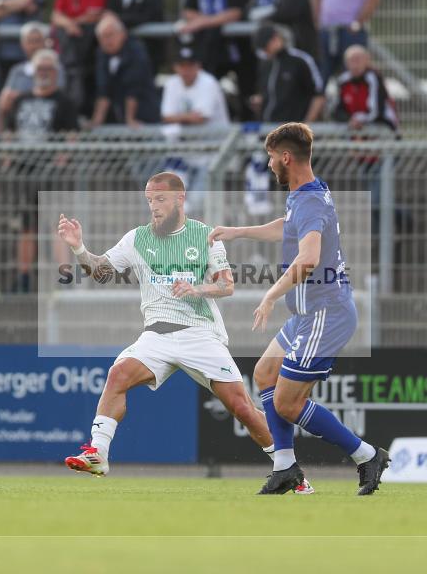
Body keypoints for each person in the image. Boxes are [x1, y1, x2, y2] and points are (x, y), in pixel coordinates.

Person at [58, 171, 314, 495]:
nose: (154, 207)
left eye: (160, 199)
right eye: (149, 200)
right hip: (156, 336)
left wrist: (196, 289)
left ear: (180, 199)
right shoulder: (136, 238)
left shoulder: (205, 235)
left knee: (242, 408)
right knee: (117, 374)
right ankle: (98, 453)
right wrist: (79, 248)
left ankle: (292, 472)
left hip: (200, 334)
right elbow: (101, 272)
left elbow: (227, 286)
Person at [208, 123, 389, 495]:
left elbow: (308, 258)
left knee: (289, 404)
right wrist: (239, 232)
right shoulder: (307, 192)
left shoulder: (308, 200)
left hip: (325, 313)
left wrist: (271, 295)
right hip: (308, 314)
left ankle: (367, 455)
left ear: (286, 157)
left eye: (271, 157)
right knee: (265, 374)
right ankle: (285, 467)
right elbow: (288, 227)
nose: (269, 164)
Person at [5, 49, 79, 293]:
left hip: (51, 171)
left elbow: (72, 134)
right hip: (24, 169)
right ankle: (24, 278)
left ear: (55, 72)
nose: (44, 73)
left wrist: (63, 157)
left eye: (48, 69)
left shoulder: (64, 102)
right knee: (26, 225)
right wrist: (7, 155)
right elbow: (9, 130)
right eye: (40, 69)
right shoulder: (20, 100)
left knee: (57, 225)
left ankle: (65, 278)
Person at [333, 44, 399, 231]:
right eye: (351, 61)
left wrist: (359, 120)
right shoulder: (343, 81)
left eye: (359, 60)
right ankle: (382, 236)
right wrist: (351, 122)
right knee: (371, 198)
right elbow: (336, 111)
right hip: (362, 149)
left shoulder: (373, 78)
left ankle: (395, 227)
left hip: (383, 147)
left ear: (367, 61)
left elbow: (376, 111)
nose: (355, 64)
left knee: (377, 199)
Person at [181, 0, 256, 119]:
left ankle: (247, 124)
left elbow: (236, 12)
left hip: (239, 48)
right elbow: (188, 11)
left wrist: (203, 22)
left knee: (246, 92)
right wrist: (214, 20)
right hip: (208, 50)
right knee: (208, 88)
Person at [51, 0, 109, 115]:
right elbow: (56, 15)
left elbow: (95, 14)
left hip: (89, 48)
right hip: (70, 47)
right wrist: (69, 24)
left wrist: (71, 24)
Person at [89, 15, 160, 127]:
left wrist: (130, 119)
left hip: (143, 111)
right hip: (118, 112)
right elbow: (103, 88)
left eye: (110, 35)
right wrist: (97, 120)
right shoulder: (102, 54)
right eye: (103, 37)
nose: (107, 41)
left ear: (122, 34)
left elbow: (133, 86)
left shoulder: (136, 51)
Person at [313, 0, 380, 83]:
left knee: (354, 77)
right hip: (326, 30)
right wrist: (316, 22)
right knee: (321, 76)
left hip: (351, 32)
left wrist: (358, 22)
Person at [251, 24, 324, 123]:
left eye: (266, 46)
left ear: (276, 38)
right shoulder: (265, 65)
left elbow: (318, 95)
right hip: (268, 127)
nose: (265, 51)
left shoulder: (300, 61)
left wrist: (305, 125)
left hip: (293, 126)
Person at [0, 22, 57, 128]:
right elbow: (5, 101)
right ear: (23, 44)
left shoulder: (55, 66)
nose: (34, 46)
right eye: (30, 41)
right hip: (21, 120)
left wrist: (19, 97)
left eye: (37, 41)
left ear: (45, 42)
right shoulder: (17, 70)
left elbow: (55, 94)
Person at [249, 0, 318, 60]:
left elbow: (290, 10)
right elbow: (252, 6)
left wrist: (266, 16)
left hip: (299, 41)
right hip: (279, 46)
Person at [161, 44, 230, 126]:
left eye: (190, 65)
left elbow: (200, 118)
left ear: (199, 66)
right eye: (182, 66)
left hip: (214, 134)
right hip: (183, 133)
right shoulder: (171, 82)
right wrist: (189, 116)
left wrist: (176, 117)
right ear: (175, 67)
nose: (186, 70)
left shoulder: (209, 82)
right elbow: (166, 117)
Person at [106, 0, 165, 71]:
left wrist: (119, 20)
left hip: (148, 49)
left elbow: (150, 13)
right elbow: (109, 12)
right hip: (121, 52)